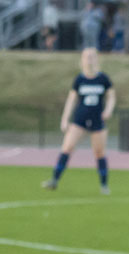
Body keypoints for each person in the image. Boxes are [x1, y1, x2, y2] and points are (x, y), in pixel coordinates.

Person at [42, 48, 116, 194]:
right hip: (79, 120)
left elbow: (112, 96)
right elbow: (71, 100)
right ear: (82, 60)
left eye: (92, 57)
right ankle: (54, 180)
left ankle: (104, 185)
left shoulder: (103, 79)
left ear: (96, 59)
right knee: (67, 148)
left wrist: (108, 110)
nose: (89, 59)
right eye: (86, 57)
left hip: (97, 120)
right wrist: (65, 119)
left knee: (99, 153)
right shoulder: (79, 80)